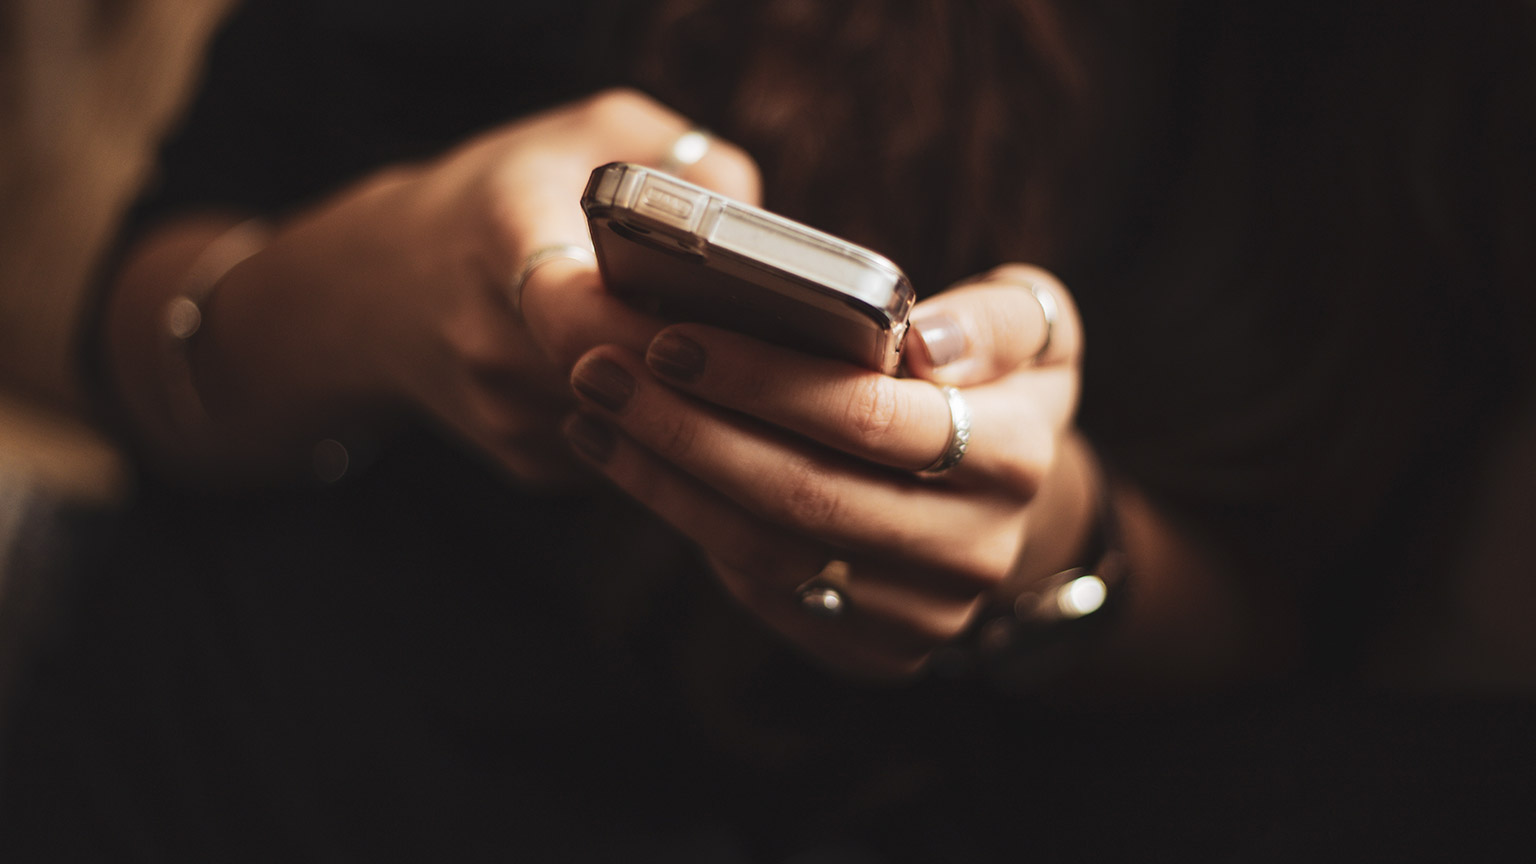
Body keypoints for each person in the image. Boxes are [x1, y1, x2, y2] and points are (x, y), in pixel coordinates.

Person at [4, 0, 1535, 860]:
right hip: (248, 751)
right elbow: (139, 351)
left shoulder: (1429, 73)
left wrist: (1047, 545)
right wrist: (386, 274)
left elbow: (1319, 641)